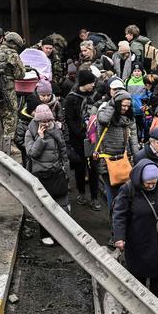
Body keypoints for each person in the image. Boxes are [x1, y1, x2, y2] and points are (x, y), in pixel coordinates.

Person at [112, 160, 158, 298]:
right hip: (138, 242)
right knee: (139, 279)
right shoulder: (128, 189)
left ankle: (156, 307)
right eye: (148, 183)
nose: (151, 186)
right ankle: (139, 309)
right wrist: (119, 237)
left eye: (154, 183)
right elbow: (119, 215)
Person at [23, 104, 69, 246]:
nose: (46, 124)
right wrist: (40, 138)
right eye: (43, 121)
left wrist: (66, 169)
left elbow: (63, 150)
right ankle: (45, 234)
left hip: (56, 171)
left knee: (62, 205)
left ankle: (62, 234)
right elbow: (31, 153)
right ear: (37, 121)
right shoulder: (30, 132)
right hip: (41, 174)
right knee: (45, 206)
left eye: (48, 120)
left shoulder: (56, 130)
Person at [95, 89, 137, 220]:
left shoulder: (128, 119)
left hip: (123, 161)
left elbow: (133, 139)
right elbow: (103, 120)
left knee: (125, 195)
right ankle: (115, 231)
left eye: (127, 106)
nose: (125, 108)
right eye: (122, 105)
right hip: (107, 162)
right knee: (113, 197)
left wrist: (135, 157)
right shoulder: (104, 113)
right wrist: (112, 105)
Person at [64, 68, 101, 210]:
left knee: (94, 168)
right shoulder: (72, 98)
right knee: (80, 167)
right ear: (84, 83)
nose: (93, 85)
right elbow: (70, 119)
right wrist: (81, 132)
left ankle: (94, 197)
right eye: (91, 83)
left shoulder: (95, 96)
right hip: (78, 139)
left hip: (93, 139)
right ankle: (81, 193)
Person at [0, 31, 27, 144]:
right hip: (7, 89)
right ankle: (9, 145)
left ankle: (5, 139)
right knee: (11, 115)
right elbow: (20, 75)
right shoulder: (13, 55)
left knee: (3, 113)